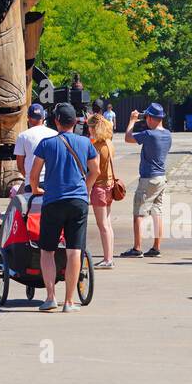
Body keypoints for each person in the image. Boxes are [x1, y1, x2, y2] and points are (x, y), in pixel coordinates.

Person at [29, 103, 98, 312]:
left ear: (56, 121)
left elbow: (34, 174)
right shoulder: (85, 143)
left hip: (53, 201)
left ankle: (50, 297)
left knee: (47, 250)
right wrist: (85, 188)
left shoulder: (46, 144)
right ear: (75, 122)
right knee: (74, 251)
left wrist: (35, 189)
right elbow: (95, 170)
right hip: (78, 201)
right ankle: (69, 301)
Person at [122, 103, 171, 257]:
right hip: (161, 177)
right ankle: (156, 247)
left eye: (147, 117)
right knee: (157, 213)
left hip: (148, 178)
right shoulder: (168, 134)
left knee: (138, 213)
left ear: (151, 118)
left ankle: (137, 248)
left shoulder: (150, 134)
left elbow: (128, 138)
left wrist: (132, 120)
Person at [86, 112, 120, 268]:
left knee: (103, 225)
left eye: (90, 128)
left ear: (94, 128)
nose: (88, 131)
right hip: (110, 186)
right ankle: (110, 257)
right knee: (108, 223)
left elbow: (95, 170)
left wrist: (87, 189)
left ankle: (107, 259)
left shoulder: (97, 147)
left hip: (99, 187)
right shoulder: (109, 143)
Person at [14, 103, 57, 191]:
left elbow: (20, 165)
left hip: (31, 182)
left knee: (32, 204)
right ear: (43, 117)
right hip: (52, 181)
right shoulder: (55, 134)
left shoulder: (23, 136)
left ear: (28, 118)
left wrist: (28, 176)